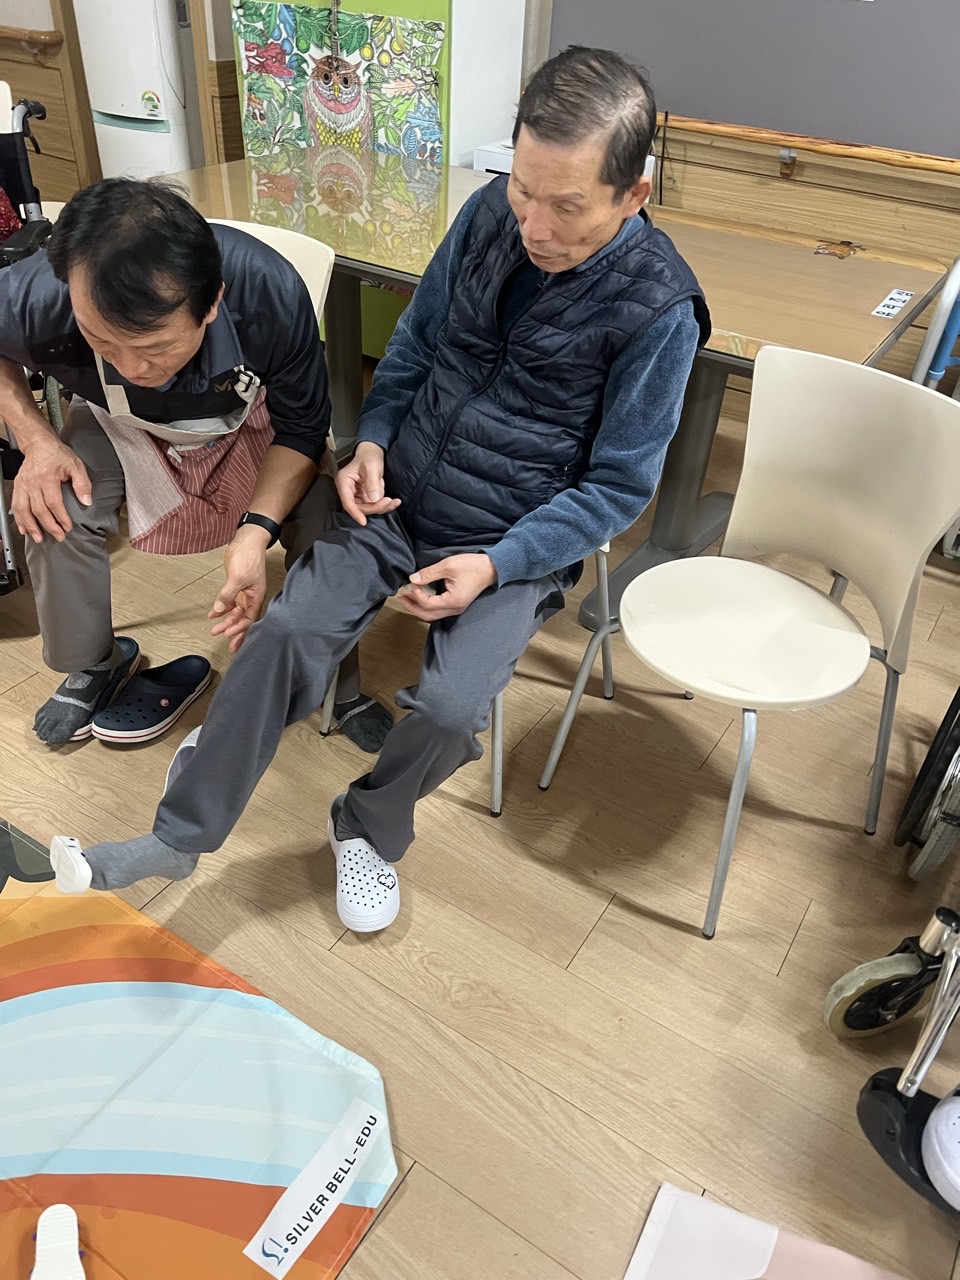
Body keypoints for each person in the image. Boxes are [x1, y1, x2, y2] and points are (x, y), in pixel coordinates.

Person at [49, 46, 711, 932]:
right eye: (523, 190)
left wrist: (497, 563)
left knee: (449, 710)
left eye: (567, 206)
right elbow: (414, 349)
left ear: (634, 194)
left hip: (510, 542)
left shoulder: (660, 310)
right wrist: (372, 442)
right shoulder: (489, 215)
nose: (535, 226)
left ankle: (366, 826)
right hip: (396, 497)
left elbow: (618, 487)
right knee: (285, 631)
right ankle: (180, 835)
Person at [0, 179, 391, 750]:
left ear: (211, 303)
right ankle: (95, 662)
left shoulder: (269, 291)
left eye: (154, 348)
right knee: (53, 500)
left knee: (323, 511)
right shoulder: (43, 289)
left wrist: (255, 533)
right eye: (103, 343)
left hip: (247, 418)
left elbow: (303, 429)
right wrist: (36, 440)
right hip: (118, 421)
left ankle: (337, 680)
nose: (133, 367)